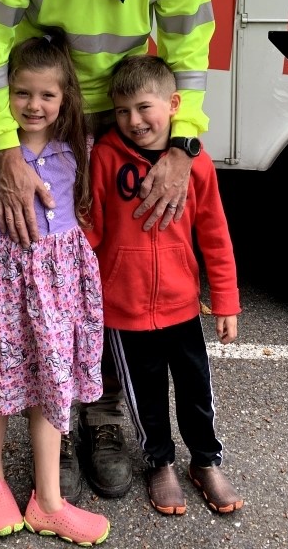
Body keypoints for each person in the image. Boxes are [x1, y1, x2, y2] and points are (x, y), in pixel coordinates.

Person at [0, 0, 215, 500]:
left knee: (103, 274)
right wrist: (8, 153)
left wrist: (180, 146)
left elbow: (192, 47)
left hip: (127, 127)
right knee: (33, 271)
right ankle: (44, 412)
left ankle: (101, 416)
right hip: (43, 125)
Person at [0, 35, 110, 545]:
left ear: (64, 98)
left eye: (46, 95)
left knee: (51, 382)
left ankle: (49, 501)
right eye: (22, 93)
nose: (34, 105)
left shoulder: (78, 149)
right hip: (3, 289)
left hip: (58, 291)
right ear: (4, 95)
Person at [87, 55, 243, 517]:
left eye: (143, 107)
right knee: (146, 395)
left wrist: (226, 301)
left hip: (182, 306)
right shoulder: (104, 159)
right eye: (121, 111)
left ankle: (205, 461)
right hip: (124, 309)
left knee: (196, 390)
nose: (133, 121)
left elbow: (215, 235)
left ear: (174, 104)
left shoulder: (196, 165)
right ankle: (159, 462)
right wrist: (82, 294)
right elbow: (91, 229)